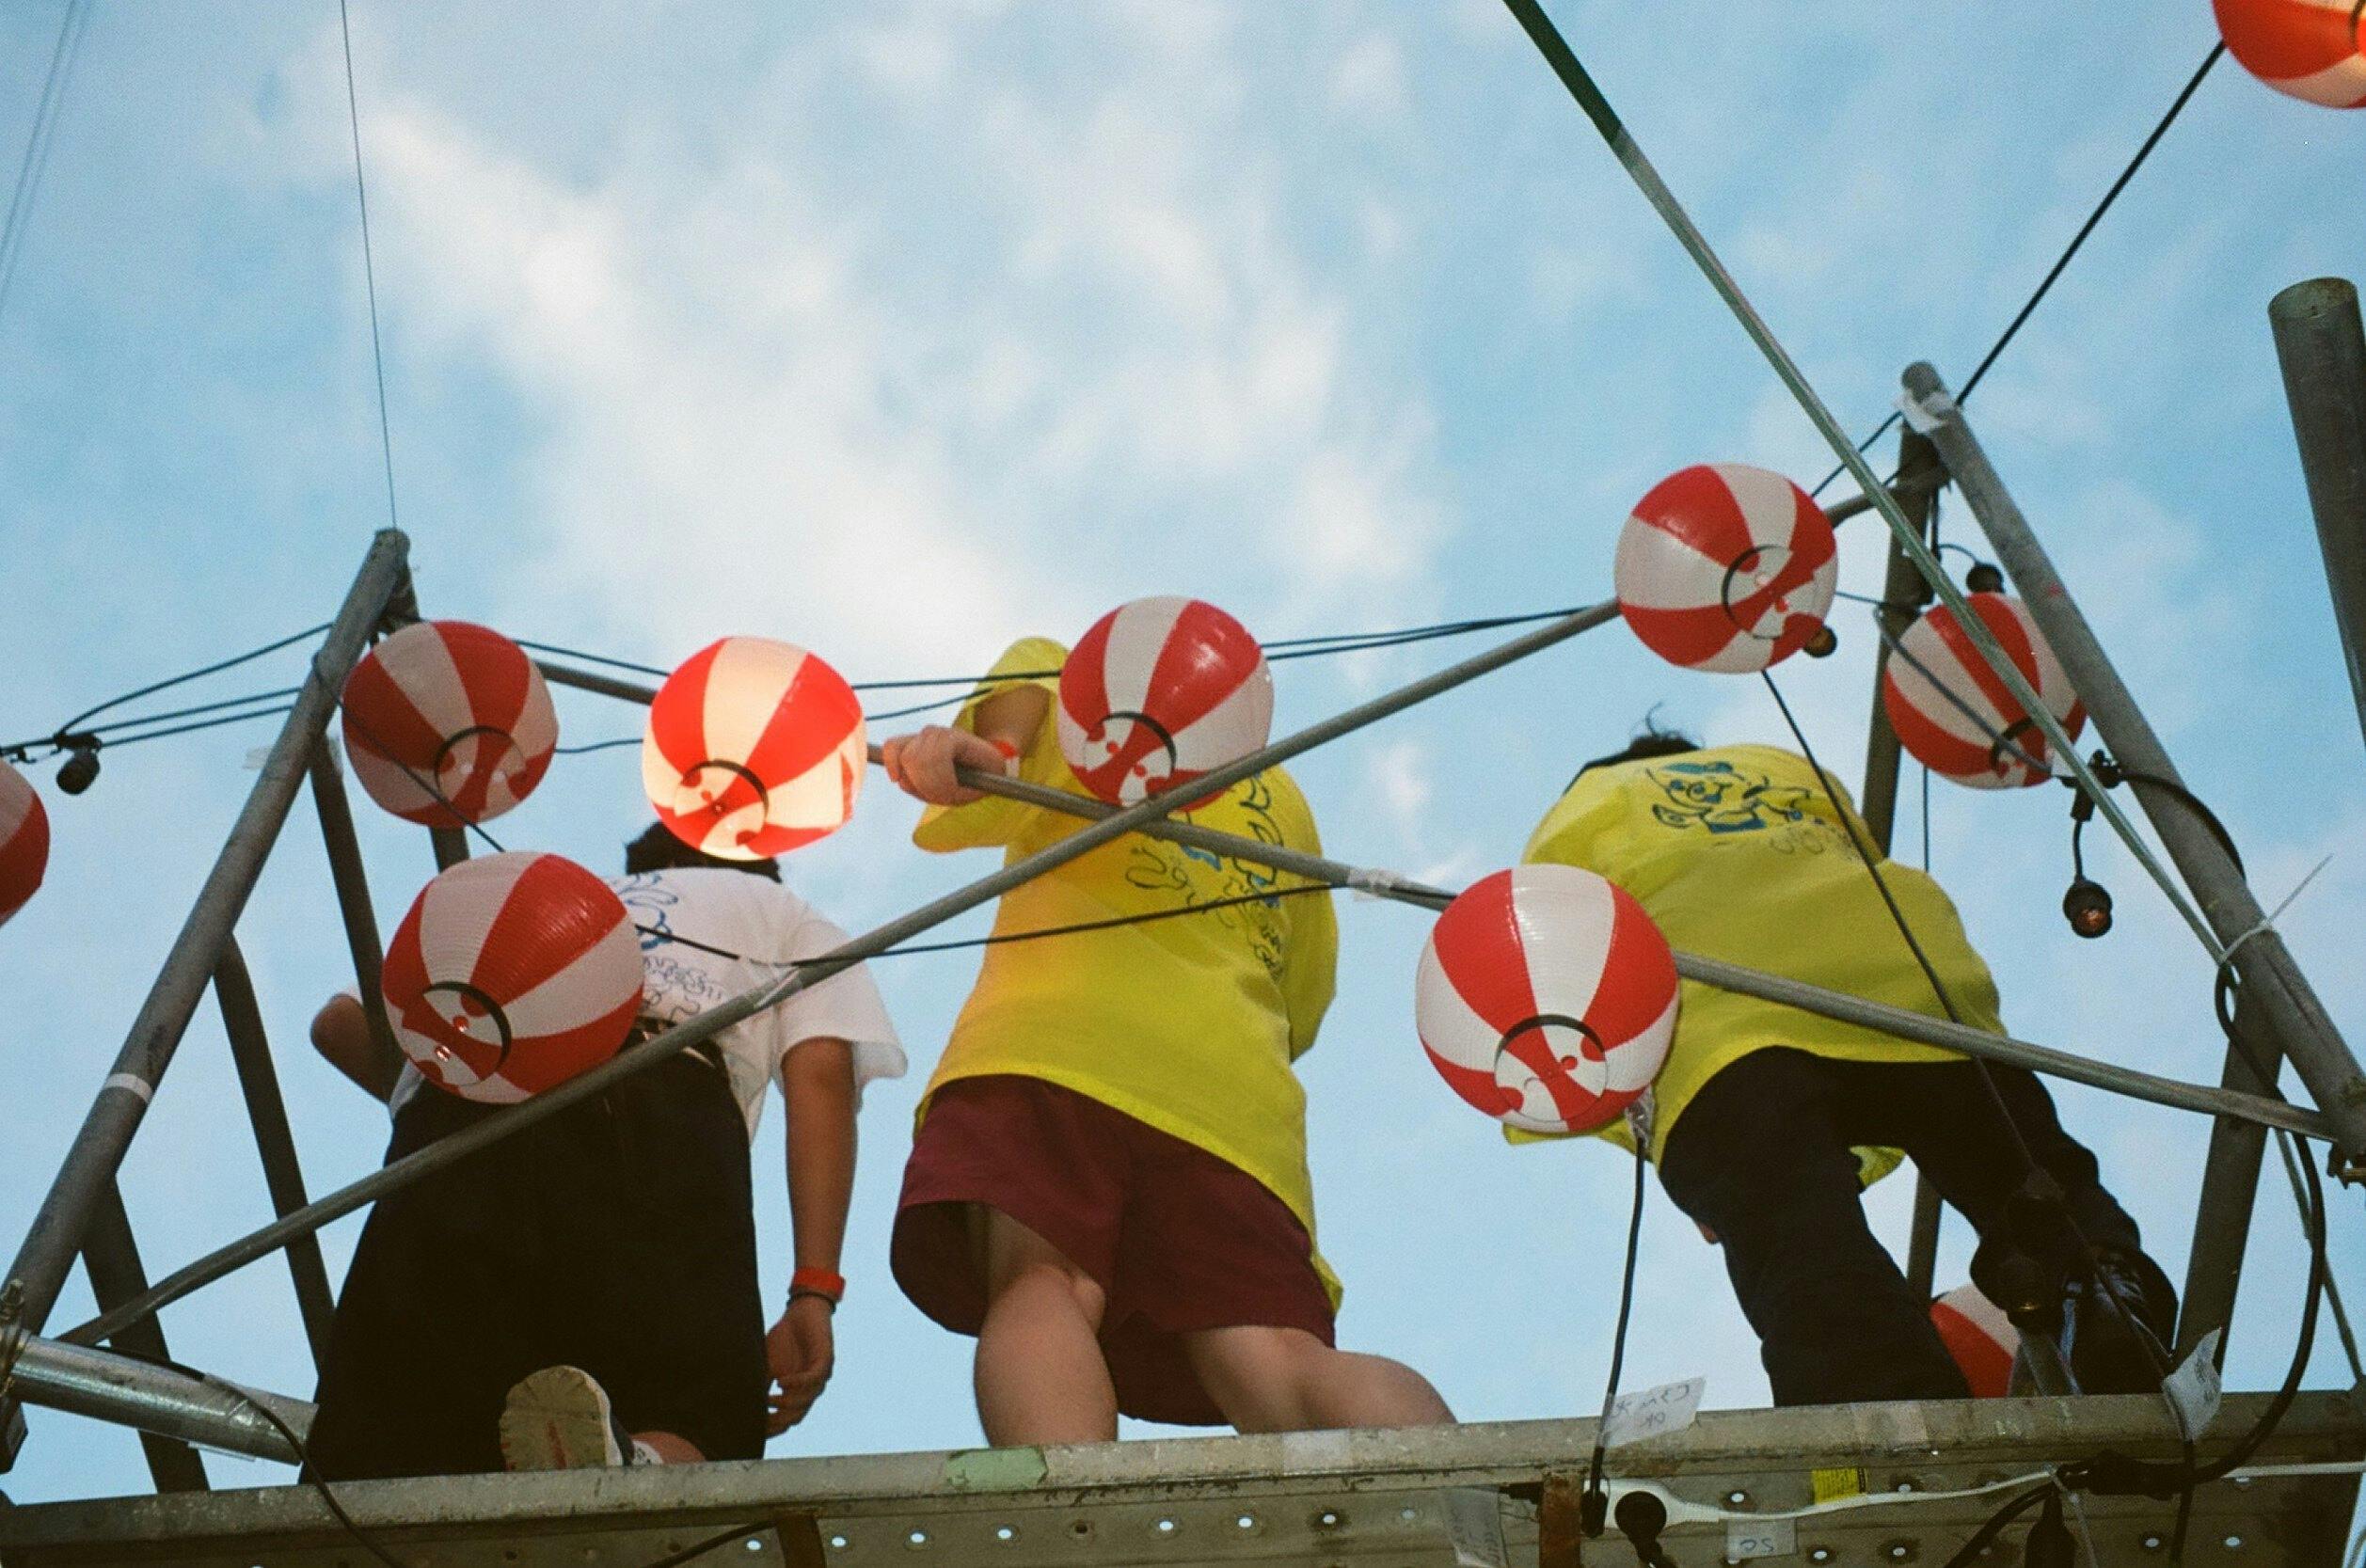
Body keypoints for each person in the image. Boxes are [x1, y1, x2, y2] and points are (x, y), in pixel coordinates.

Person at [879, 636, 1453, 1444]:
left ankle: (1067, 1508)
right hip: (1233, 1102)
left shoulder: (1076, 686)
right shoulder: (1279, 796)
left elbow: (995, 757)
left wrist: (981, 749)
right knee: (1274, 1354)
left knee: (1044, 1280)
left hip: (1055, 1045)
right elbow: (1303, 999)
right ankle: (1449, 1491)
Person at [1519, 725, 2176, 1406]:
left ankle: (1888, 1418)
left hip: (1723, 1024)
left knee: (1803, 1245)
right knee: (2026, 1174)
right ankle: (2109, 1300)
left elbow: (1552, 984)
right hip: (1908, 987)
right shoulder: (1785, 765)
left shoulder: (1582, 807)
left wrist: (1682, 1154)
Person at [304, 823, 904, 1477]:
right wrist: (814, 1289)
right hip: (657, 1095)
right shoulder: (781, 910)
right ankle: (633, 1464)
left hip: (469, 1086)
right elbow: (819, 1076)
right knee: (703, 1407)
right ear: (753, 867)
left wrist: (479, 1099)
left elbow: (338, 1023)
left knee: (398, 1399)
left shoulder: (554, 898)